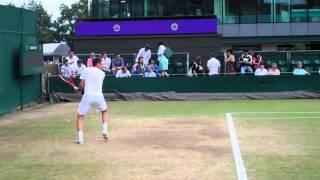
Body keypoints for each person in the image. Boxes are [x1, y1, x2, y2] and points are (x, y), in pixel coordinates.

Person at [75, 58, 109, 144]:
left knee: (80, 116)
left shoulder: (86, 70)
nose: (102, 65)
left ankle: (80, 139)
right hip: (99, 97)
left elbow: (81, 85)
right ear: (97, 64)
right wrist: (79, 89)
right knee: (104, 111)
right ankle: (104, 130)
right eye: (101, 64)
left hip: (88, 96)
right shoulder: (103, 73)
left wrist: (78, 89)